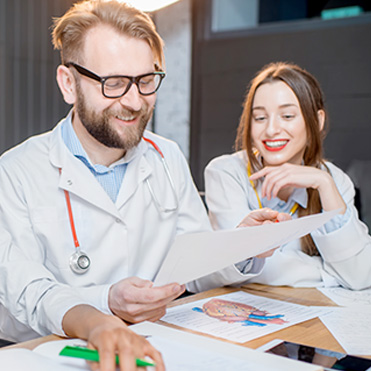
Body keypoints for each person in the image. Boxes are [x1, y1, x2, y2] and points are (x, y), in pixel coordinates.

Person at [0, 0, 269, 361]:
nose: (133, 101)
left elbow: (192, 261)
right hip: (47, 352)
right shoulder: (16, 172)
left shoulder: (167, 156)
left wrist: (240, 245)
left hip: (155, 343)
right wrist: (101, 311)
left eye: (146, 81)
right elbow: (26, 290)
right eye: (113, 83)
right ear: (69, 84)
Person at [205, 62, 371, 290]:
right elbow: (245, 266)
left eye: (287, 116)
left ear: (318, 120)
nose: (271, 129)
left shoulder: (333, 179)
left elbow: (360, 274)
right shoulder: (225, 172)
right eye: (260, 118)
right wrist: (329, 274)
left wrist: (323, 183)